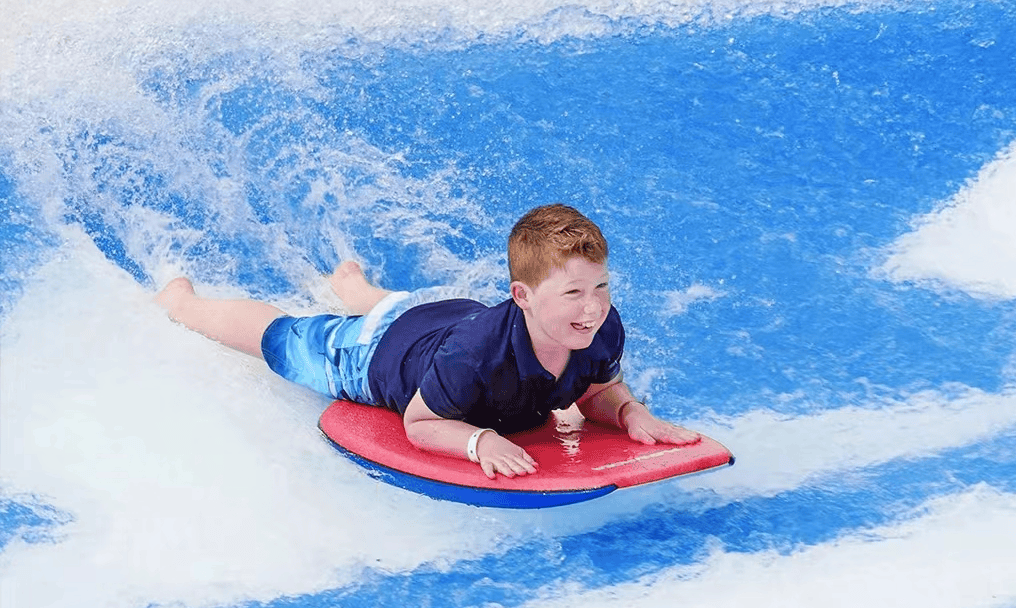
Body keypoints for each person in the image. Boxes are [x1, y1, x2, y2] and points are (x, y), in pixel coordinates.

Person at [155, 203, 699, 480]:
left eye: (602, 285)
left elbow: (595, 389)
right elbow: (421, 422)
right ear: (523, 295)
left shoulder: (599, 325)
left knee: (406, 314)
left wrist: (627, 411)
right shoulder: (476, 357)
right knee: (285, 340)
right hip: (378, 354)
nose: (593, 306)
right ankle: (185, 305)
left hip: (441, 320)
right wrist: (479, 442)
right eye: (575, 291)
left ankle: (359, 289)